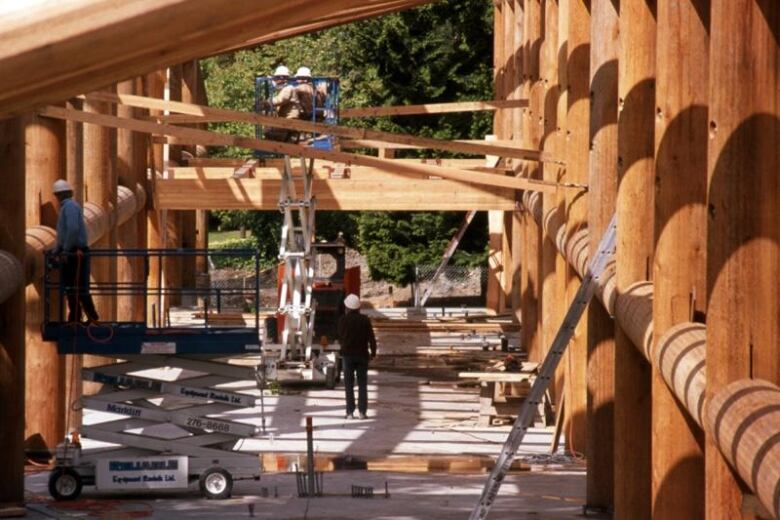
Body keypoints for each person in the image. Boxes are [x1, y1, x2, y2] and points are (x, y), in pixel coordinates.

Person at [52, 179, 99, 324]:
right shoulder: (68, 207)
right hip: (73, 252)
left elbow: (72, 230)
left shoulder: (70, 207)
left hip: (76, 253)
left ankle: (89, 316)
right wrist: (57, 250)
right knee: (72, 288)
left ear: (57, 195)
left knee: (78, 287)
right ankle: (76, 317)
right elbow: (64, 233)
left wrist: (64, 250)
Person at [337, 294, 376, 420]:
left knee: (349, 385)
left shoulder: (342, 320)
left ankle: (349, 412)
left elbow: (339, 336)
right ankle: (362, 412)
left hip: (348, 356)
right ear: (359, 307)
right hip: (362, 356)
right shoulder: (365, 320)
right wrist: (373, 352)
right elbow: (371, 338)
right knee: (362, 385)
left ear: (347, 307)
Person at [264, 65, 300, 142]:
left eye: (276, 78)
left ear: (282, 78)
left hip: (290, 118)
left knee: (268, 129)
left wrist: (266, 102)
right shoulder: (286, 88)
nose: (275, 81)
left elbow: (280, 100)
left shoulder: (288, 89)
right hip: (286, 118)